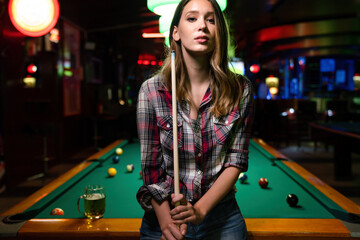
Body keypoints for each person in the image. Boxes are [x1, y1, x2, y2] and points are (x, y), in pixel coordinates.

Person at [136, 0, 254, 239]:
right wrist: (166, 221)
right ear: (176, 33)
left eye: (211, 20)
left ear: (219, 32)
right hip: (165, 212)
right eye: (192, 18)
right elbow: (151, 168)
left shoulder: (240, 89)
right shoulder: (151, 91)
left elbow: (236, 160)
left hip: (221, 216)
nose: (202, 26)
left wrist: (200, 210)